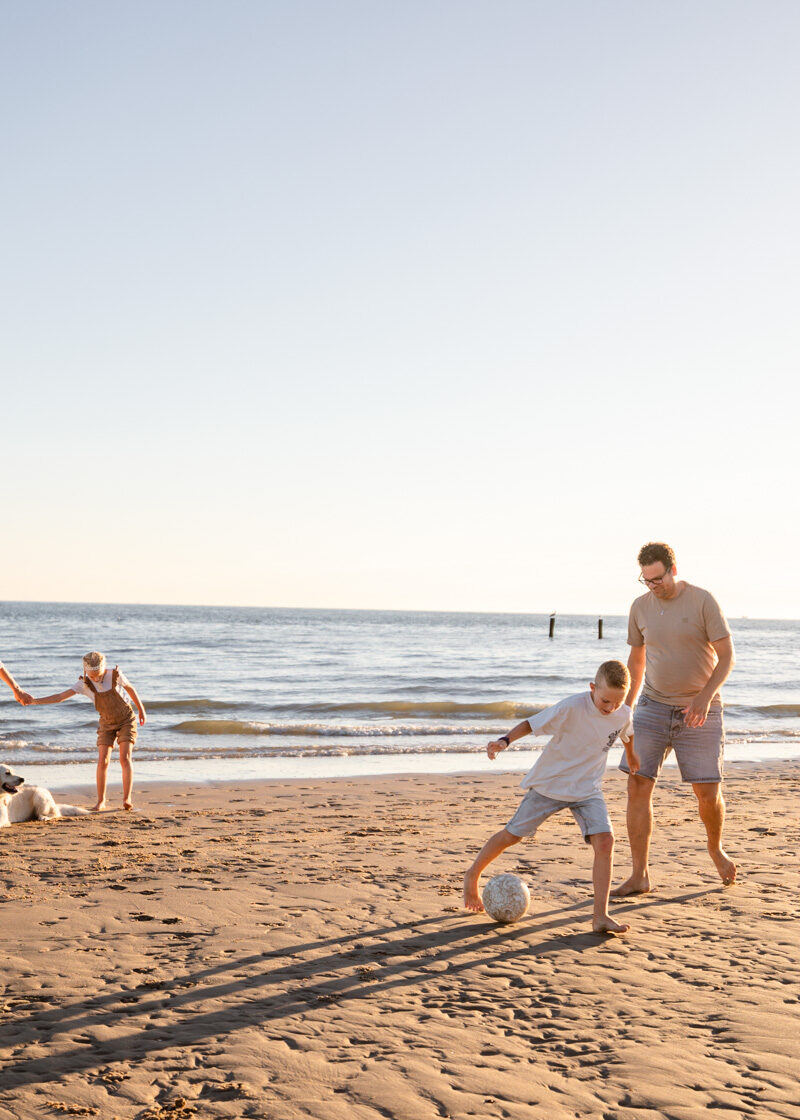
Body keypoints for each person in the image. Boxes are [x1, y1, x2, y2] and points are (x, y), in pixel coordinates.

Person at [463, 660, 639, 935]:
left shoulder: (622, 713)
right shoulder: (571, 707)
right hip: (550, 786)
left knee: (605, 841)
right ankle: (472, 873)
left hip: (588, 790)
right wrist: (504, 741)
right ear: (592, 688)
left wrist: (632, 756)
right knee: (512, 835)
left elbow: (626, 732)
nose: (610, 708)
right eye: (605, 700)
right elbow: (531, 724)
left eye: (617, 702)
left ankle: (600, 916)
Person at [611, 542, 736, 898]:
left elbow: (727, 657)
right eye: (647, 580)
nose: (654, 586)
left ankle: (715, 848)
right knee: (637, 783)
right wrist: (628, 709)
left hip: (700, 707)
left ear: (673, 569)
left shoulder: (702, 600)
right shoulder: (639, 608)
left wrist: (704, 697)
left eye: (658, 578)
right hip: (652, 705)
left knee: (706, 793)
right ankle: (639, 876)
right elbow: (636, 661)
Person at [27, 652, 146, 812]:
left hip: (126, 719)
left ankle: (127, 799)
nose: (96, 679)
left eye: (98, 675)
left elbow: (131, 689)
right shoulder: (83, 684)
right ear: (86, 672)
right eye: (92, 676)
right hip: (106, 722)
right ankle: (101, 800)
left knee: (125, 758)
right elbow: (59, 697)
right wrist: (35, 701)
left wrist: (141, 710)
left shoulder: (114, 675)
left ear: (104, 669)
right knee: (103, 761)